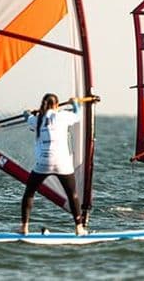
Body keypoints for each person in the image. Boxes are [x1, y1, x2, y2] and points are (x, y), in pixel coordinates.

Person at [21, 93, 88, 235]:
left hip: (42, 163)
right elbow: (78, 115)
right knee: (72, 195)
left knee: (29, 193)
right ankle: (79, 228)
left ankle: (24, 228)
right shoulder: (63, 116)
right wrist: (75, 103)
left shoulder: (37, 119)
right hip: (62, 164)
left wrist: (29, 112)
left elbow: (26, 116)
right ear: (57, 105)